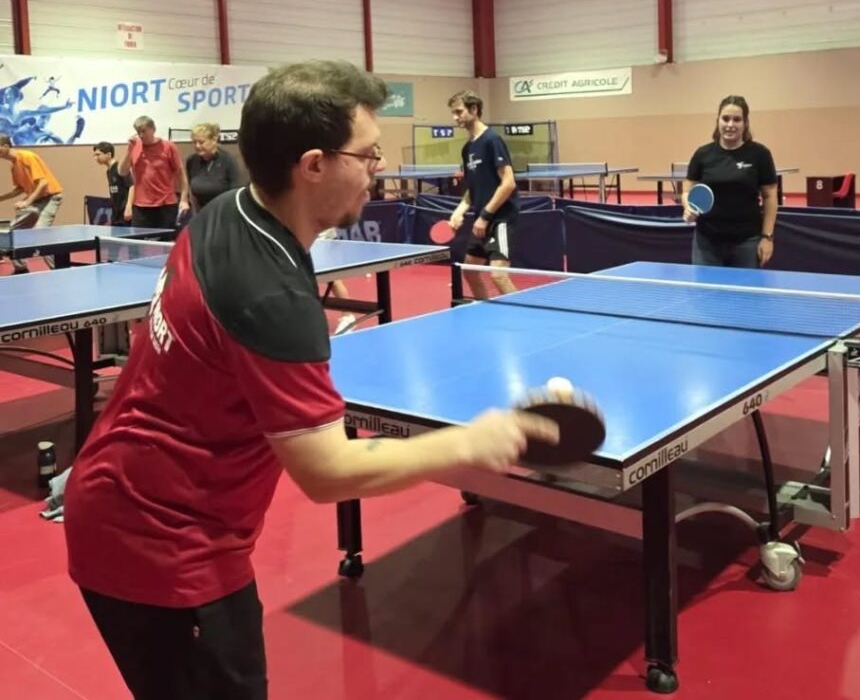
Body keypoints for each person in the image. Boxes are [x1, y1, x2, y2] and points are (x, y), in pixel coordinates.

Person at [63, 60, 555, 700]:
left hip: (122, 498)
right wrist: (473, 442)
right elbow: (327, 471)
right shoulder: (268, 293)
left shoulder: (227, 212)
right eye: (368, 154)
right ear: (314, 165)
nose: (379, 168)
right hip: (162, 546)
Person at [682, 95, 778, 268]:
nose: (730, 124)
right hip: (707, 242)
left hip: (747, 241)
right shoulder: (703, 154)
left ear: (745, 123)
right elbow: (687, 190)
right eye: (725, 118)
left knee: (746, 287)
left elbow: (770, 196)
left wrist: (767, 237)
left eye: (737, 119)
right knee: (705, 287)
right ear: (717, 120)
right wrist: (688, 207)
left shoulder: (760, 154)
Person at [446, 89, 519, 297]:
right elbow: (473, 188)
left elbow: (508, 183)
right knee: (469, 271)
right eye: (453, 113)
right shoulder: (467, 148)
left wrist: (485, 216)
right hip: (482, 219)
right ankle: (484, 309)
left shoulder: (492, 140)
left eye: (459, 112)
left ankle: (522, 315)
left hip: (501, 218)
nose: (455, 117)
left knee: (498, 275)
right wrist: (459, 211)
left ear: (474, 109)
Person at [0, 133, 64, 272]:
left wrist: (27, 202)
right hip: (36, 200)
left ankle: (59, 270)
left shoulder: (28, 157)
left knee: (41, 234)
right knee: (13, 233)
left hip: (51, 198)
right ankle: (21, 269)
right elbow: (19, 189)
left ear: (5, 146)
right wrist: (1, 198)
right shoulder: (13, 166)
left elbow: (43, 183)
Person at [118, 115, 187, 229]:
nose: (141, 135)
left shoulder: (168, 146)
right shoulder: (134, 147)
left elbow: (181, 174)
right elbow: (122, 172)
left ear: (153, 129)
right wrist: (129, 150)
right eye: (138, 132)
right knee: (137, 239)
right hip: (141, 206)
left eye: (144, 131)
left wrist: (184, 199)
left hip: (166, 204)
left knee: (166, 239)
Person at [186, 122, 243, 214]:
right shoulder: (192, 161)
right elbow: (190, 189)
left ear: (214, 140)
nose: (197, 146)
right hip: (201, 212)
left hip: (224, 212)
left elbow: (235, 193)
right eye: (194, 142)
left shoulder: (228, 160)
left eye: (201, 142)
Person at [92, 141, 132, 226]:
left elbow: (132, 185)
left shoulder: (120, 167)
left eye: (98, 155)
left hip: (125, 214)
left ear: (109, 154)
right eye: (94, 155)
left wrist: (129, 207)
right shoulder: (109, 171)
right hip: (116, 215)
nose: (95, 158)